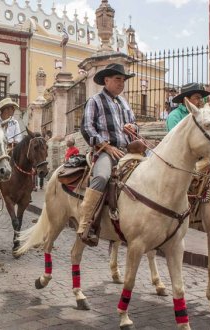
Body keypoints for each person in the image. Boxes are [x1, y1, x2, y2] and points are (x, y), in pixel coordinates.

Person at [77, 63, 138, 246]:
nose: (122, 83)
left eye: (123, 80)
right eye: (118, 79)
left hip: (128, 151)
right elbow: (87, 128)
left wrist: (132, 128)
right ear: (106, 80)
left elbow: (134, 124)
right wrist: (106, 146)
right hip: (106, 151)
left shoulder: (124, 103)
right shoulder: (95, 100)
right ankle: (86, 223)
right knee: (102, 177)